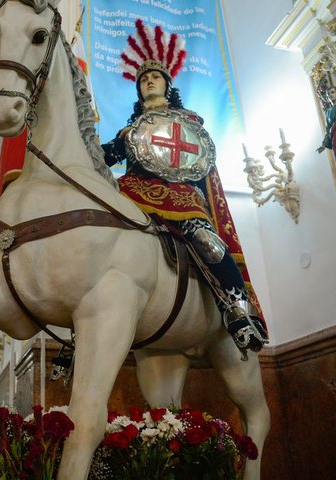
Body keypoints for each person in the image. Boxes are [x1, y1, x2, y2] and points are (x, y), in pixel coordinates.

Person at [102, 19, 267, 355]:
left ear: (167, 83)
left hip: (180, 193)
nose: (148, 81)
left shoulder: (187, 122)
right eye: (144, 79)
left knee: (206, 240)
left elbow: (197, 160)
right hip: (134, 189)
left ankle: (238, 311)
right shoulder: (130, 130)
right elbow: (104, 157)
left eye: (155, 77)